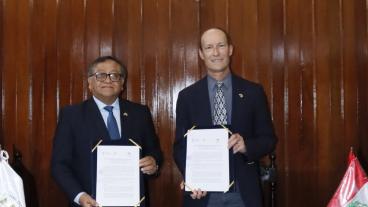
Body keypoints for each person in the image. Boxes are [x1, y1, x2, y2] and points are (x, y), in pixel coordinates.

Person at [173, 28, 277, 207]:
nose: (215, 52)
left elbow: (268, 140)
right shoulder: (187, 97)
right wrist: (191, 178)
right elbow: (180, 146)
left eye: (221, 45)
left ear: (230, 49)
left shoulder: (253, 92)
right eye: (209, 47)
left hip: (243, 192)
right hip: (204, 193)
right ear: (201, 54)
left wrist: (247, 146)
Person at [51, 56, 162, 207]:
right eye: (100, 75)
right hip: (89, 202)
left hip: (132, 200)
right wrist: (79, 196)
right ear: (90, 83)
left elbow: (154, 151)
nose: (108, 80)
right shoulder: (72, 115)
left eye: (114, 75)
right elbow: (59, 165)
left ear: (122, 83)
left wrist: (153, 162)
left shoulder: (140, 113)